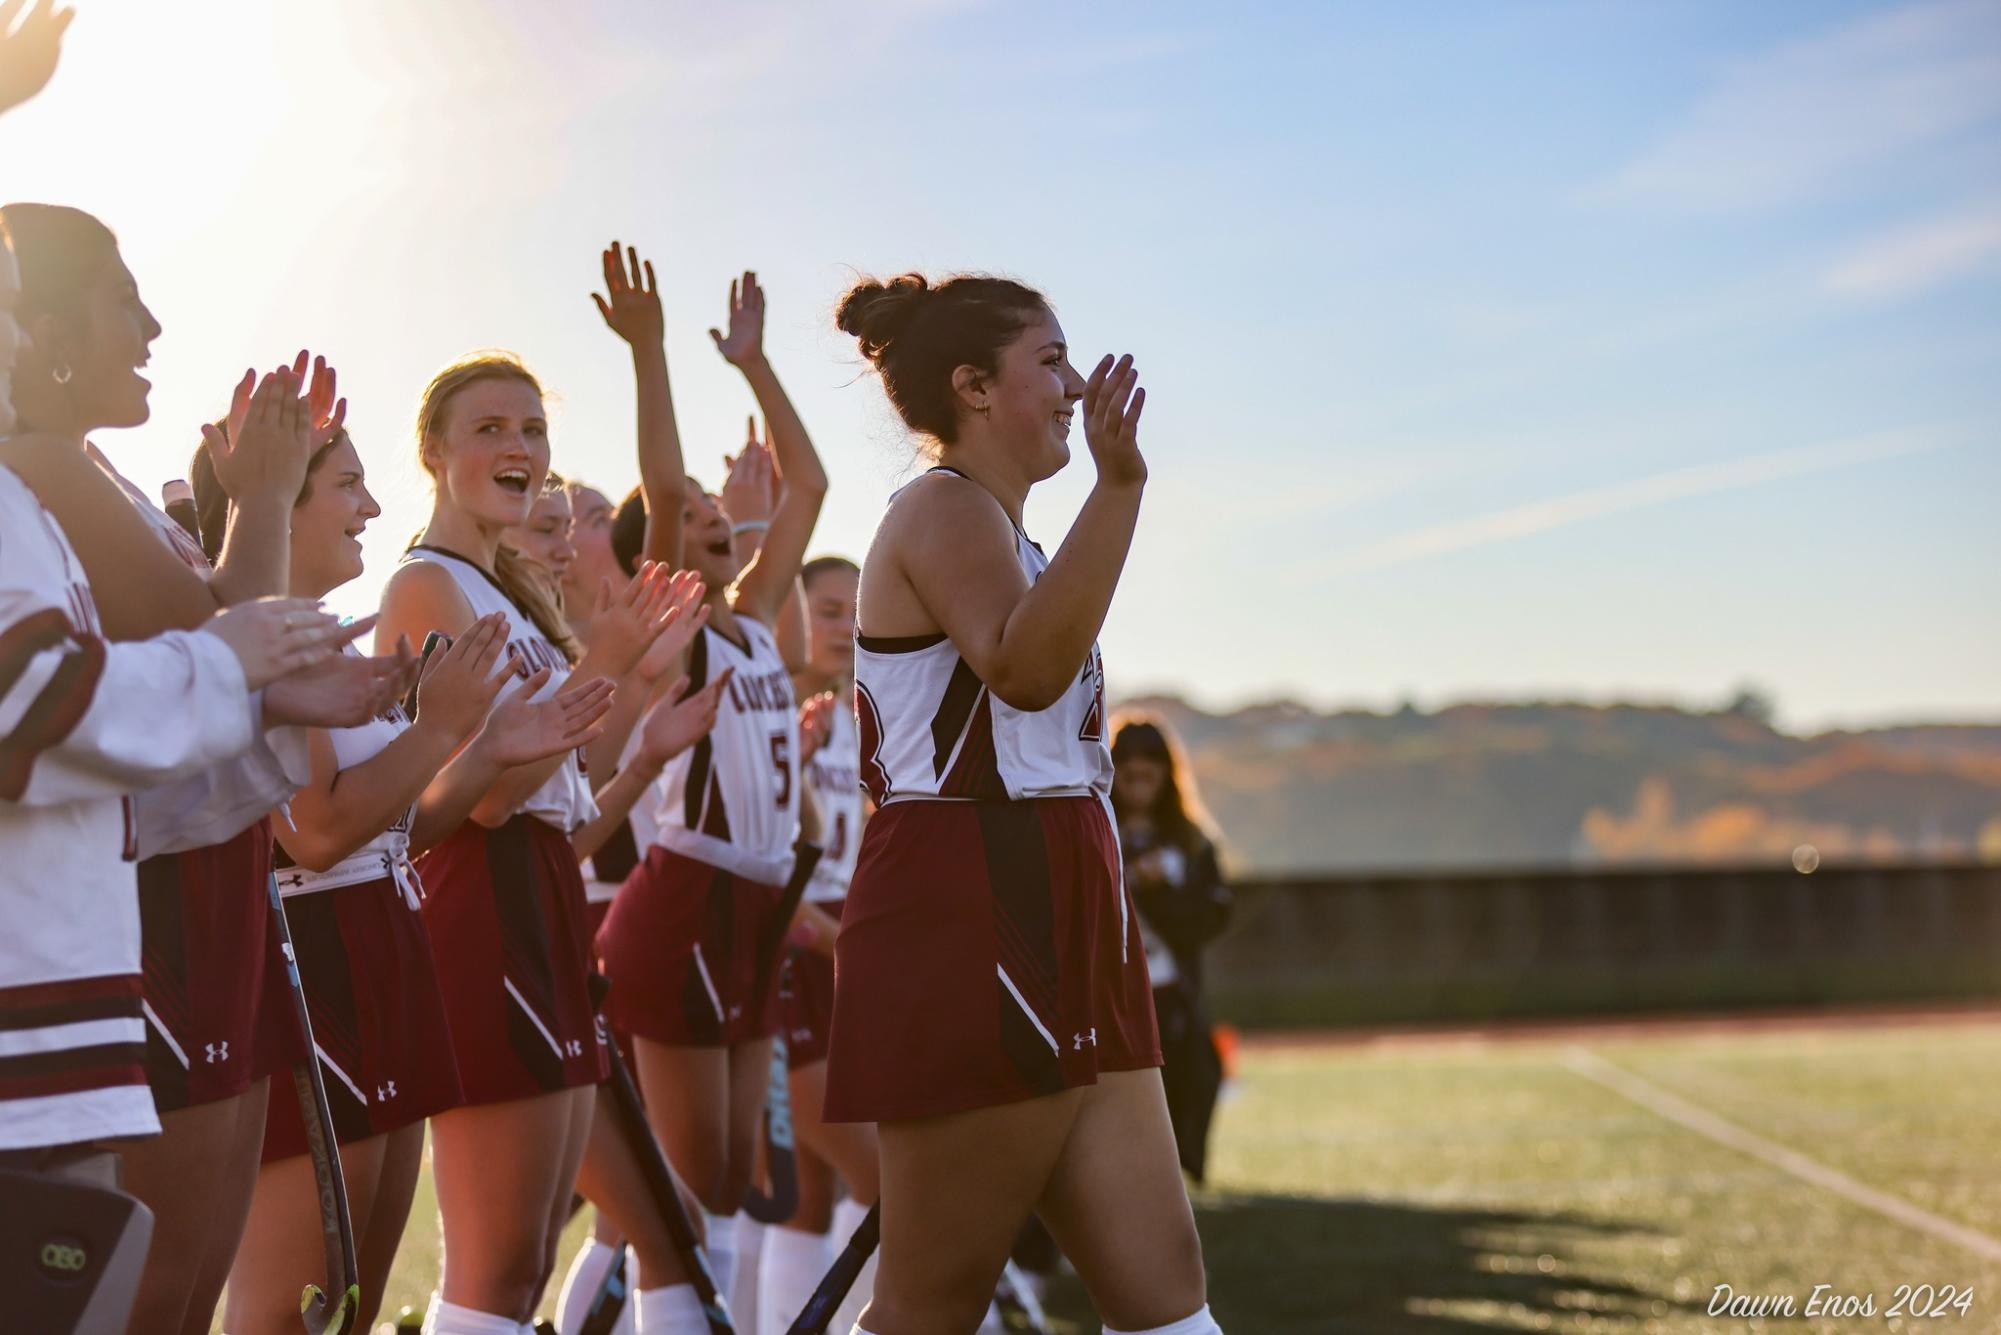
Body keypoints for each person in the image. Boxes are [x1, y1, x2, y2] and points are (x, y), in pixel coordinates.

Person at [0, 201, 413, 1335]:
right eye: (121, 296)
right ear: (40, 324)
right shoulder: (35, 465)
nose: (151, 323)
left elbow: (234, 653)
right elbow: (218, 636)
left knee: (183, 1292)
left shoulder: (97, 475)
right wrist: (267, 497)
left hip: (203, 891)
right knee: (146, 1294)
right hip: (143, 907)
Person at [824, 273, 1219, 1335]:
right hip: (976, 897)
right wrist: (1119, 490)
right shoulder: (944, 506)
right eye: (1049, 360)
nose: (1074, 383)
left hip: (1061, 886)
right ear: (972, 387)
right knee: (928, 1310)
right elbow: (1024, 668)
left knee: (1167, 1298)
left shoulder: (1008, 531)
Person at [188, 426, 623, 1334]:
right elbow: (315, 836)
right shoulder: (263, 641)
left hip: (388, 944)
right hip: (316, 962)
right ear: (279, 503)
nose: (372, 509)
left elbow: (399, 830)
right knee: (294, 1310)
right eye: (348, 485)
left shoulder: (333, 647)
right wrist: (439, 728)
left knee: (354, 1305)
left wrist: (493, 746)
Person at [372, 338, 708, 1334]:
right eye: (490, 429)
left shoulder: (513, 599)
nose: (520, 446)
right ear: (434, 451)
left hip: (545, 906)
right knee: (496, 1265)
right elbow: (479, 802)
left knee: (526, 1268)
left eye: (533, 428)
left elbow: (562, 793)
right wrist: (599, 661)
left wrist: (632, 693)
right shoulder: (427, 587)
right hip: (481, 907)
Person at [595, 265, 827, 1311]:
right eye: (685, 517)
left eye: (712, 512)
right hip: (687, 899)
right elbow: (660, 473)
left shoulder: (755, 614)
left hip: (756, 906)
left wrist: (755, 364)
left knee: (731, 1184)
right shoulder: (678, 626)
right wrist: (649, 352)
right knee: (683, 1200)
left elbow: (810, 485)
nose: (711, 520)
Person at [758, 555, 882, 1335]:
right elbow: (765, 873)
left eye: (855, 612)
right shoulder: (769, 712)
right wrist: (850, 944)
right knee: (882, 1182)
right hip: (789, 959)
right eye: (827, 609)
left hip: (835, 948)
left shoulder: (853, 716)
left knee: (809, 1197)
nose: (844, 628)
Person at [1109, 713, 1231, 1184]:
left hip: (1169, 994)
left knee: (1186, 1090)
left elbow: (1208, 920)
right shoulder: (1093, 829)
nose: (1138, 783)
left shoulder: (1191, 842)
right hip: (1110, 992)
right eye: (1127, 771)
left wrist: (1158, 892)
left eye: (1149, 772)